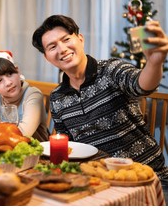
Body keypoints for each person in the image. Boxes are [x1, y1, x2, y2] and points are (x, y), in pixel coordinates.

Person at [31, 15, 168, 191]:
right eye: (52, 47)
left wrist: (154, 62)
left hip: (146, 176)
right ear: (47, 57)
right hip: (98, 180)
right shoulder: (57, 97)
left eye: (66, 39)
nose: (62, 49)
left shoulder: (111, 70)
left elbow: (141, 85)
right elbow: (68, 146)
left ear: (80, 39)